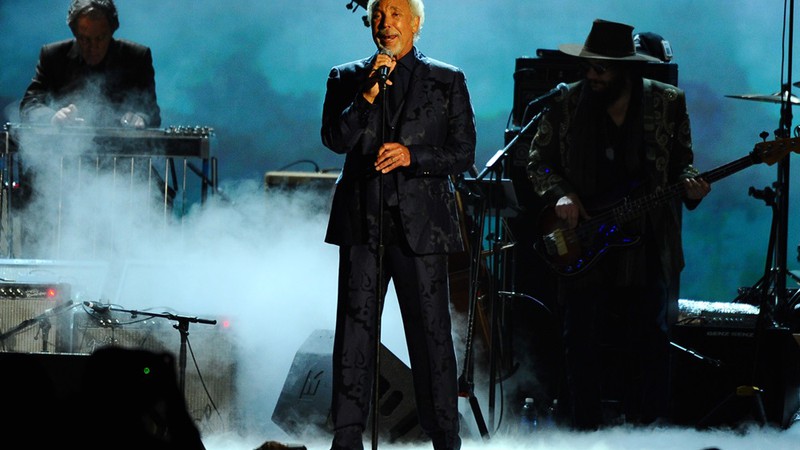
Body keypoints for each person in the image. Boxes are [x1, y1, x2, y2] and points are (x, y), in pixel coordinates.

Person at [526, 19, 711, 430]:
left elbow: (683, 163)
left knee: (649, 340)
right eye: (588, 66)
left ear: (624, 69)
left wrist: (691, 186)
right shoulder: (566, 103)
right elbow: (537, 160)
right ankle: (585, 429)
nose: (590, 75)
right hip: (585, 239)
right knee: (582, 341)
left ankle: (648, 431)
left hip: (645, 241)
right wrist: (559, 194)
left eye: (601, 68)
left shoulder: (667, 102)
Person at [320, 0, 476, 448]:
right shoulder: (346, 77)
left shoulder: (447, 80)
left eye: (395, 14)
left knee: (430, 337)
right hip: (362, 224)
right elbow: (335, 139)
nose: (385, 23)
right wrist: (367, 97)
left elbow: (462, 154)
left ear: (415, 23)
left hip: (421, 230)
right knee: (354, 334)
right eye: (379, 15)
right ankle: (346, 437)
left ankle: (445, 436)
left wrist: (414, 157)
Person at [19, 0, 160, 128]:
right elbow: (29, 106)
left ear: (112, 30)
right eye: (84, 39)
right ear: (74, 32)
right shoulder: (53, 56)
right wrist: (52, 117)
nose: (93, 47)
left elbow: (152, 112)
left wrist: (141, 118)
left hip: (121, 152)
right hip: (64, 152)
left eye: (100, 38)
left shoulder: (137, 57)